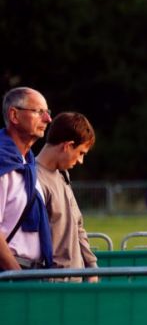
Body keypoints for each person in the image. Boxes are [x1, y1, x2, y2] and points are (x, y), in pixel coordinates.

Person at [36, 112, 98, 280]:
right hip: (53, 286)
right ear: (68, 146)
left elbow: (77, 225)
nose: (81, 161)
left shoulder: (63, 175)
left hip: (73, 282)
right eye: (81, 153)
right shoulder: (34, 180)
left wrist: (92, 266)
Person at [0, 87, 53, 270]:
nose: (48, 119)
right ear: (14, 115)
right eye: (39, 112)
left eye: (47, 112)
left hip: (30, 272)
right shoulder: (2, 163)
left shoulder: (27, 165)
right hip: (11, 276)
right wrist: (16, 274)